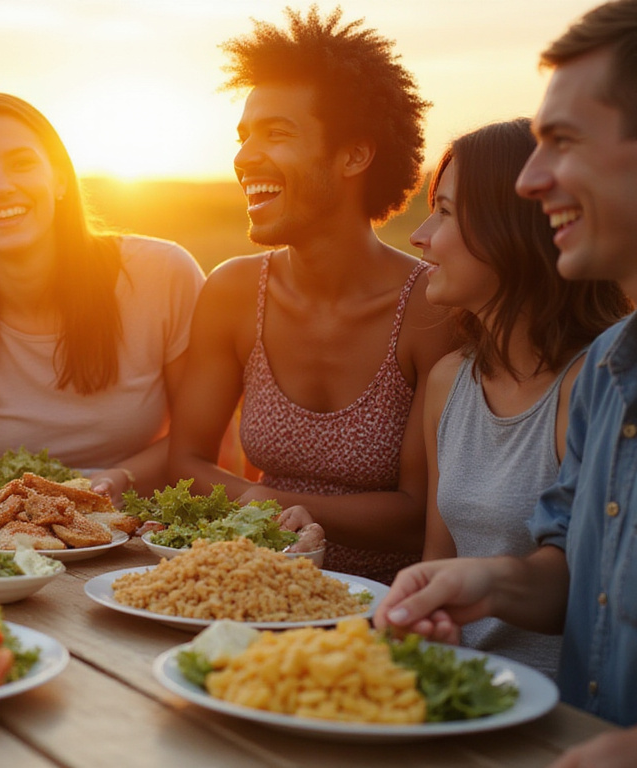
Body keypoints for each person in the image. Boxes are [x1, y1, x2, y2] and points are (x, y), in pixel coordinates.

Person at [378, 1, 637, 761]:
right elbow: (566, 572)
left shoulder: (583, 373)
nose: (531, 179)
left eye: (562, 141)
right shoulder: (613, 376)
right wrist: (482, 583)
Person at [166, 6, 456, 583]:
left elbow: (419, 515)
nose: (246, 157)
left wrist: (260, 501)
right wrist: (263, 504)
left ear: (354, 154)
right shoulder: (232, 291)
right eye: (244, 135)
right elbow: (186, 461)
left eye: (277, 133)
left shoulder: (431, 307)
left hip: (381, 610)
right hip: (254, 589)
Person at [0, 92, 205, 497]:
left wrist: (114, 480)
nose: (1, 187)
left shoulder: (164, 274)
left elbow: (205, 446)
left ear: (59, 179)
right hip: (17, 546)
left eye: (22, 164)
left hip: (148, 536)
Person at [410, 118, 629, 676]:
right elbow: (439, 559)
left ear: (512, 227)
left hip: (553, 711)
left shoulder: (592, 386)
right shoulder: (448, 381)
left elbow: (586, 585)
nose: (420, 235)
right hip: (460, 693)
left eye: (447, 212)